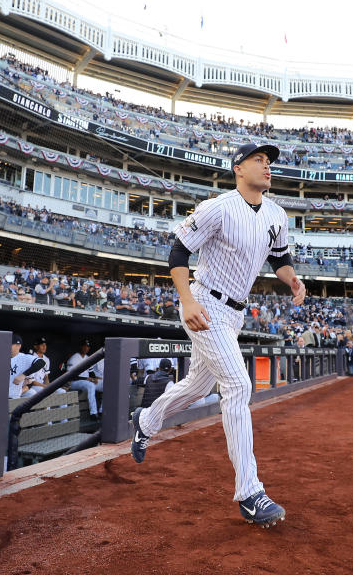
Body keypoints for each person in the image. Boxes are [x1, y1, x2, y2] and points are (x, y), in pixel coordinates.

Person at [131, 143, 304, 528]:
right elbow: (177, 253)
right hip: (205, 305)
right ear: (238, 168)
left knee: (195, 387)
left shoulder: (276, 213)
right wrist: (187, 300)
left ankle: (145, 420)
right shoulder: (218, 207)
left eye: (269, 161)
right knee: (239, 387)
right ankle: (249, 493)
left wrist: (290, 277)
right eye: (259, 160)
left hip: (235, 313)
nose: (267, 166)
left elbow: (278, 256)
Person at [64, 340, 100, 418]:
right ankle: (93, 413)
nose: (86, 348)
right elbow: (70, 376)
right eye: (84, 346)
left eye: (88, 346)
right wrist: (87, 378)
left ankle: (101, 411)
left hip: (85, 382)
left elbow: (91, 371)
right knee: (90, 385)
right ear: (81, 347)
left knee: (104, 384)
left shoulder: (88, 358)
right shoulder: (74, 358)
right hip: (74, 383)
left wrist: (95, 378)